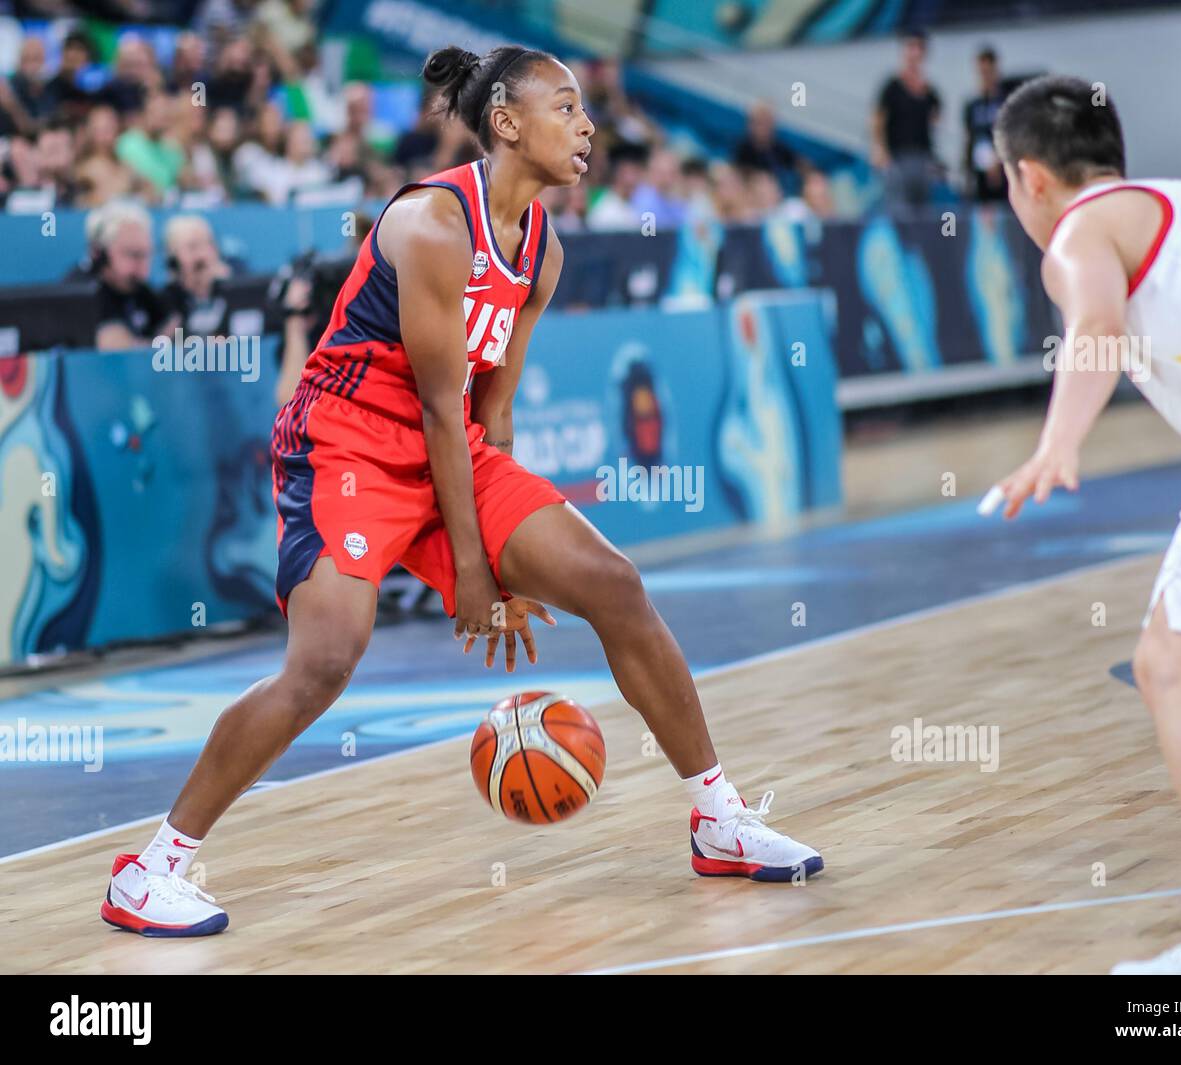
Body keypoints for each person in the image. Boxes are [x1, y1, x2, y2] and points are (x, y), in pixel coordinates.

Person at [100, 44, 822, 937]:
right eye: (566, 107)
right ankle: (153, 868)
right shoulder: (434, 225)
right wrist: (473, 577)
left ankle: (720, 819)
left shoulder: (543, 249)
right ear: (507, 123)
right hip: (348, 440)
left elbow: (492, 411)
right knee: (325, 661)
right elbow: (440, 407)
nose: (588, 124)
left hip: (452, 442)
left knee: (615, 584)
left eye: (586, 109)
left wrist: (508, 548)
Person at [991, 75, 1181, 974]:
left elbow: (1093, 320)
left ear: (1031, 179)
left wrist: (1058, 442)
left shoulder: (1082, 229)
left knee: (1174, 662)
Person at [83, 201, 176, 351]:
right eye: (133, 254)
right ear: (99, 254)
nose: (143, 266)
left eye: (147, 254)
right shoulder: (80, 295)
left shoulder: (140, 289)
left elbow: (173, 327)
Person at [871, 29, 942, 211]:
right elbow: (877, 119)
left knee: (923, 211)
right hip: (897, 158)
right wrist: (880, 150)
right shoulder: (892, 87)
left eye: (919, 47)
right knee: (899, 210)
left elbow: (936, 120)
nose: (915, 52)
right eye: (911, 47)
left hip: (922, 157)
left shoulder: (929, 90)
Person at [962, 45, 1008, 203]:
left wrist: (997, 159)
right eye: (982, 72)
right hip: (980, 172)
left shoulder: (1005, 102)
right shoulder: (972, 105)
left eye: (989, 71)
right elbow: (969, 137)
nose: (985, 76)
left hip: (1003, 170)